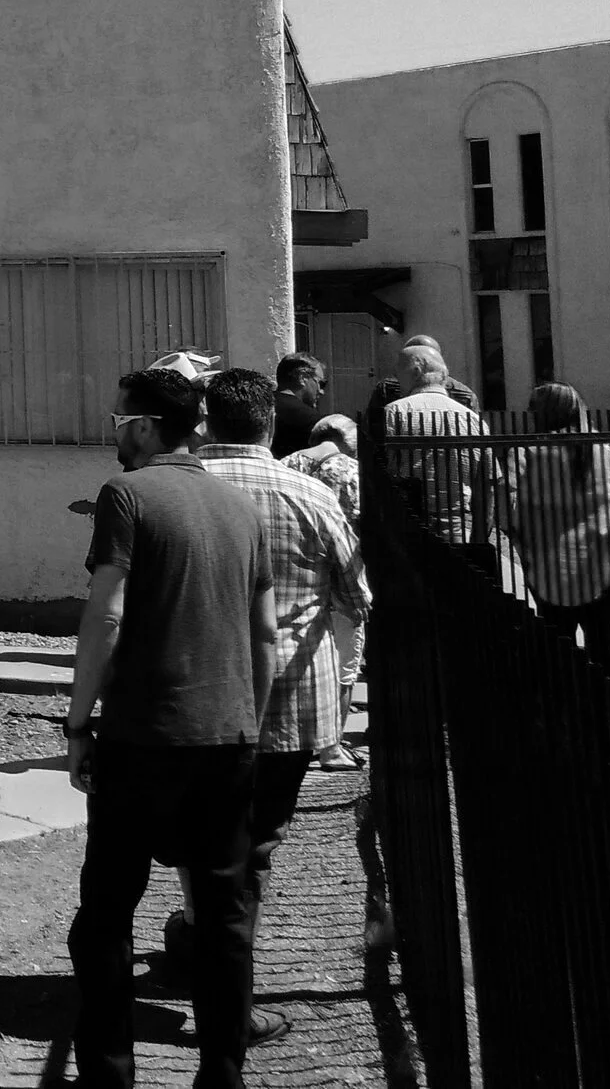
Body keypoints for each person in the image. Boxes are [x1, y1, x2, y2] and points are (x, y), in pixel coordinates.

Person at [65, 367, 276, 1089]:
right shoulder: (241, 507)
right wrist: (252, 717)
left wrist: (77, 719)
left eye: (119, 418)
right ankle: (222, 1073)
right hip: (229, 737)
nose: (113, 430)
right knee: (223, 919)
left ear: (147, 425)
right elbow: (267, 634)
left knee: (105, 918)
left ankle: (108, 1076)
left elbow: (108, 613)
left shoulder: (126, 495)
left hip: (144, 735)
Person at [182, 368, 370, 1016]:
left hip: (193, 693)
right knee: (255, 845)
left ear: (206, 419)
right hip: (288, 698)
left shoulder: (172, 492)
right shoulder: (310, 496)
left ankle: (202, 934)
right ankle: (228, 987)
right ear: (268, 421)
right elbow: (356, 596)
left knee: (203, 833)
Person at [502, 384, 610, 678]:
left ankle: (563, 703)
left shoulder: (526, 452)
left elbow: (507, 510)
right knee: (603, 633)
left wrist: (520, 546)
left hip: (547, 558)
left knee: (556, 636)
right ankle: (609, 703)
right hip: (604, 555)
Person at [284, 413, 365, 769]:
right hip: (340, 578)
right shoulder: (353, 471)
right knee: (344, 664)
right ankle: (332, 746)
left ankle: (293, 737)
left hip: (293, 579)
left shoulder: (283, 464)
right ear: (346, 439)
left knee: (297, 660)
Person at [379, 346, 492, 549]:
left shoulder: (394, 412)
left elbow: (380, 473)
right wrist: (480, 539)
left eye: (398, 374)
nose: (396, 380)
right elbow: (486, 487)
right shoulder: (474, 420)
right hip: (459, 528)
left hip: (409, 526)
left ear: (415, 372)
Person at [270, 354, 328, 458]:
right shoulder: (312, 420)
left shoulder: (259, 407)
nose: (321, 391)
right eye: (321, 383)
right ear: (302, 378)